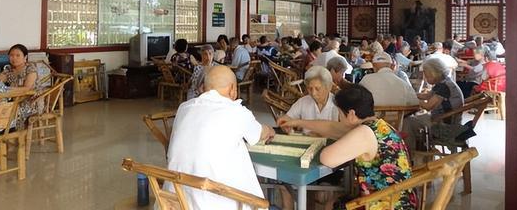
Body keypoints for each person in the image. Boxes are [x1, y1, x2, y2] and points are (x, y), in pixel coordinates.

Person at [279, 86, 417, 210]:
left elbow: (327, 158)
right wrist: (296, 122)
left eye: (339, 113)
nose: (339, 118)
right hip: (399, 198)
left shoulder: (363, 133)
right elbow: (331, 127)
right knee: (332, 203)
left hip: (388, 204)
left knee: (333, 205)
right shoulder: (378, 125)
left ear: (351, 114)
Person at [165, 66, 275, 210]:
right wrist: (270, 130)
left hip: (176, 201)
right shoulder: (235, 111)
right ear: (232, 89)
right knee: (260, 202)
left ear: (204, 88)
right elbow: (259, 134)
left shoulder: (184, 108)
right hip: (215, 202)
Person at [402, 57, 464, 151]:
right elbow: (427, 96)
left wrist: (413, 99)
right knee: (414, 120)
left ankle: (411, 151)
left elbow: (428, 106)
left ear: (434, 74)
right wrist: (411, 94)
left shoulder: (443, 87)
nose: (425, 78)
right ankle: (420, 147)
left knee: (407, 122)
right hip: (449, 120)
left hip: (445, 126)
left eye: (427, 76)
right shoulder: (445, 82)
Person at [277, 66, 339, 134]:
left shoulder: (338, 104)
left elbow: (340, 131)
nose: (313, 93)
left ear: (328, 87)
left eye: (317, 89)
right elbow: (288, 117)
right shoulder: (303, 101)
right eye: (310, 88)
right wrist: (285, 123)